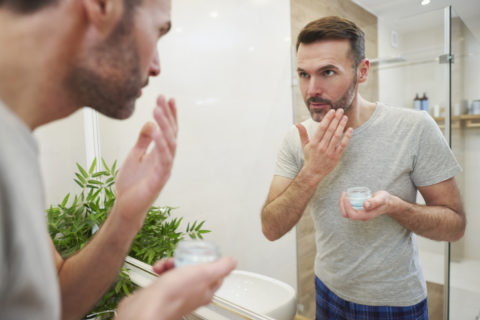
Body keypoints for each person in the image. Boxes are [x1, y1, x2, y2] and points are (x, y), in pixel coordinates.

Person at [0, 0, 236, 319]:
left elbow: (52, 301)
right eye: (158, 31)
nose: (156, 65)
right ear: (102, 6)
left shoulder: (14, 139)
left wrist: (125, 215)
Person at [261, 16, 465, 319]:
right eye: (303, 74)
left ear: (362, 71)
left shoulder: (414, 128)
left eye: (327, 72)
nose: (311, 89)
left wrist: (395, 207)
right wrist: (312, 172)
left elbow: (455, 225)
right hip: (327, 290)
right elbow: (271, 227)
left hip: (396, 302)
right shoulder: (298, 138)